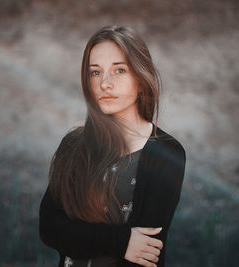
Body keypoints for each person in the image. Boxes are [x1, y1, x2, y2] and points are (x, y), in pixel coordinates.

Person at [39, 25, 186, 267]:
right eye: (95, 73)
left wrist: (81, 236)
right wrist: (122, 241)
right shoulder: (74, 146)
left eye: (119, 70)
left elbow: (146, 251)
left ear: (141, 79)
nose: (105, 83)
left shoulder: (166, 153)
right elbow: (50, 228)